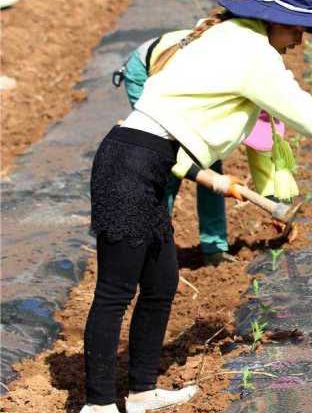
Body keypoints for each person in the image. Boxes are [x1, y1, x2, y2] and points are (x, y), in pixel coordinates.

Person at [75, 0, 312, 413]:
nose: (299, 39)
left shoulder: (233, 36)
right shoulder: (251, 51)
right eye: (296, 28)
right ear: (272, 20)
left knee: (161, 281)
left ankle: (142, 390)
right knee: (115, 290)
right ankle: (96, 407)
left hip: (148, 163)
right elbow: (301, 108)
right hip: (132, 164)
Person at [113, 33, 299, 264]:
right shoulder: (210, 93)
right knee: (166, 164)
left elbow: (263, 161)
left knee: (210, 161)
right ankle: (155, 249)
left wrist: (275, 202)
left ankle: (213, 248)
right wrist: (215, 180)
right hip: (149, 71)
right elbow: (178, 158)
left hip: (187, 79)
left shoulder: (255, 98)